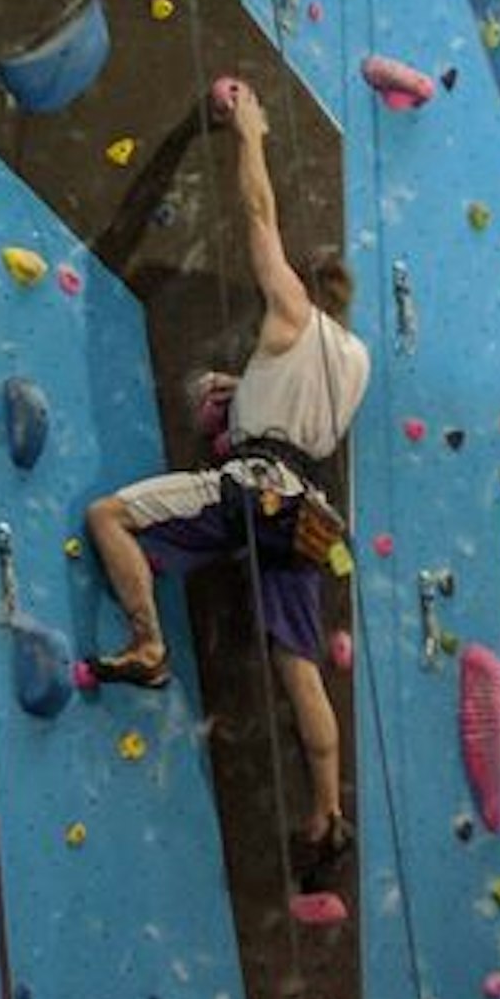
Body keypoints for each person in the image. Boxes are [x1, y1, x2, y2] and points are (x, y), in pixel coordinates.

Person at [89, 82, 364, 889]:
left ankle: (147, 643)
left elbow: (257, 217)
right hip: (307, 515)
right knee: (298, 665)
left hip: (255, 488)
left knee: (109, 517)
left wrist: (250, 134)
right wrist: (237, 386)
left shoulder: (290, 307)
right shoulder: (354, 363)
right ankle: (327, 811)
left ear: (304, 288)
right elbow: (288, 409)